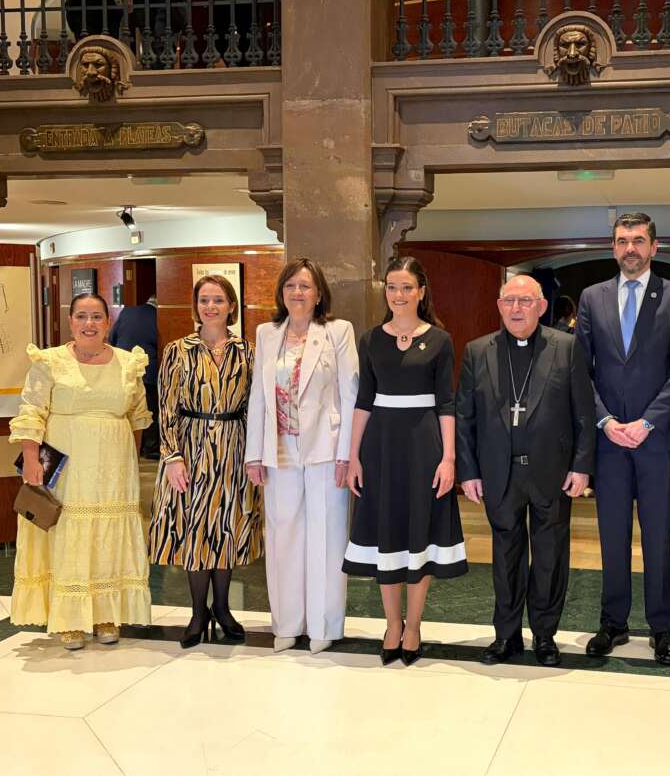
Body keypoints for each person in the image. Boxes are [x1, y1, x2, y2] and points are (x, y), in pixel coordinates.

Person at [456, 275, 596, 667]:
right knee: (505, 556)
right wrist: (468, 471)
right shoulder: (477, 351)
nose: (516, 309)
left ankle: (546, 636)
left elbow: (584, 413)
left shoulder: (566, 348)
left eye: (525, 301)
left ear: (540, 306)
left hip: (552, 472)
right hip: (499, 473)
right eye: (509, 301)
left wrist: (582, 467)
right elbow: (464, 416)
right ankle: (506, 635)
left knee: (550, 556)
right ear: (499, 306)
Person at [576, 211, 670, 664]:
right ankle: (613, 622)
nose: (630, 248)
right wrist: (607, 421)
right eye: (623, 240)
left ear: (654, 247)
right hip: (608, 441)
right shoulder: (593, 297)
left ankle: (662, 627)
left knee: (658, 535)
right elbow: (580, 371)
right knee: (611, 535)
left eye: (639, 240)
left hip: (656, 439)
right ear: (613, 247)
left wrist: (646, 423)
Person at [9, 292, 152, 650]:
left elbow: (137, 417)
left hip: (114, 468)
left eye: (97, 317)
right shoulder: (50, 361)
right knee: (69, 531)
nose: (90, 324)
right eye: (82, 317)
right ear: (70, 321)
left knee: (108, 536)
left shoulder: (127, 363)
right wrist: (30, 459)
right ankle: (69, 619)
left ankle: (105, 612)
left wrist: (130, 463)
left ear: (108, 322)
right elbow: (31, 411)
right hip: (66, 465)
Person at [344, 255, 467, 667]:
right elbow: (364, 401)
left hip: (424, 445)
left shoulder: (440, 340)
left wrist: (449, 458)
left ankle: (413, 626)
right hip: (380, 447)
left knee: (421, 532)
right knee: (387, 533)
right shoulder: (370, 339)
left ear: (421, 292)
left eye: (407, 287)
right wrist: (353, 457)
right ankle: (391, 624)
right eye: (392, 287)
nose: (399, 295)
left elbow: (446, 403)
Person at [245, 259, 359, 654]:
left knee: (326, 537)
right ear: (281, 291)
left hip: (327, 451)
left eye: (306, 286)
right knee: (283, 537)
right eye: (291, 285)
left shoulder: (336, 331)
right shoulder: (266, 333)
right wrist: (253, 454)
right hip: (279, 450)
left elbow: (350, 393)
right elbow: (258, 396)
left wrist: (347, 454)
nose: (298, 293)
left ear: (319, 293)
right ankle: (287, 624)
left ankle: (325, 625)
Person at [149, 276, 262, 648]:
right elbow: (165, 407)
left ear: (232, 306)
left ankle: (224, 609)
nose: (210, 306)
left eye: (218, 299)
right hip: (191, 448)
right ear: (195, 306)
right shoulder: (178, 350)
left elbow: (254, 409)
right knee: (197, 530)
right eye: (203, 300)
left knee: (225, 528)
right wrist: (172, 457)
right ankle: (198, 611)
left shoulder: (248, 351)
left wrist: (253, 455)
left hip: (233, 449)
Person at [109, 295, 160, 459]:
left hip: (122, 367)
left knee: (127, 408)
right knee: (149, 408)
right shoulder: (158, 317)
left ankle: (127, 445)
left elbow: (112, 338)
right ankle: (150, 448)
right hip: (148, 369)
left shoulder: (127, 312)